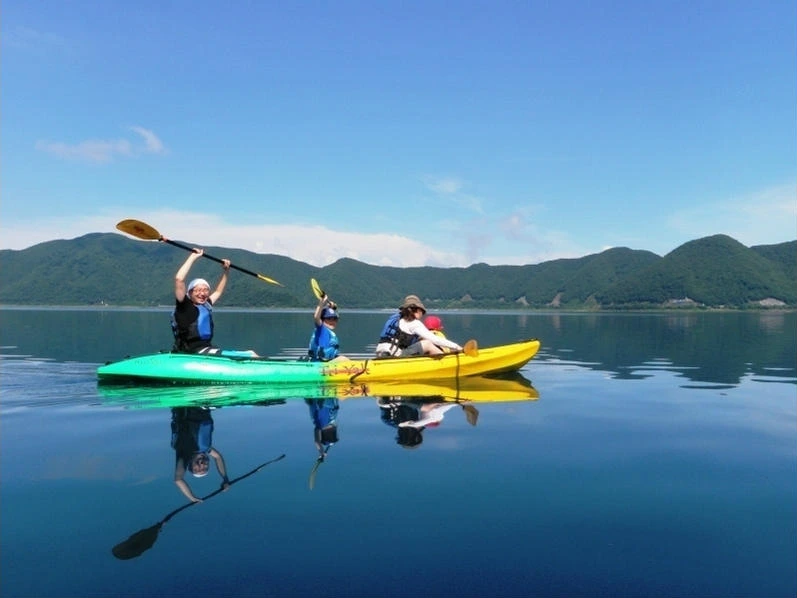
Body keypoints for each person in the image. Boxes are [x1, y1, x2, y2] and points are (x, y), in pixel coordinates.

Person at [170, 247, 256, 356]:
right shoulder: (184, 306)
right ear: (189, 293)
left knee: (248, 353)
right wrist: (193, 257)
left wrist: (226, 271)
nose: (202, 293)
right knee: (251, 354)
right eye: (198, 290)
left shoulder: (206, 304)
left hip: (205, 348)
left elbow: (218, 291)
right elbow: (179, 279)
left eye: (205, 290)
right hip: (191, 351)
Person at [170, 407, 230, 502]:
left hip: (187, 407)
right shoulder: (206, 449)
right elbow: (218, 457)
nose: (201, 465)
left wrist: (192, 498)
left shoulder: (184, 454)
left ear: (189, 465)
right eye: (205, 468)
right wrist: (225, 478)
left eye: (197, 469)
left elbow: (178, 480)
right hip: (204, 408)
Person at [375, 295, 463, 357]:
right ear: (417, 310)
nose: (422, 314)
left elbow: (404, 339)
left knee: (423, 341)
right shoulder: (414, 323)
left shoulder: (396, 319)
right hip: (394, 356)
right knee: (427, 344)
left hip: (381, 353)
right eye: (422, 311)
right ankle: (445, 364)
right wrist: (457, 347)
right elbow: (435, 339)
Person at [307, 294, 345, 361]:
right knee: (343, 359)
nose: (332, 321)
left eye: (334, 319)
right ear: (322, 320)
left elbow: (334, 314)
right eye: (329, 319)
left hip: (328, 363)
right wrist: (322, 302)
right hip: (318, 364)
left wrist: (333, 308)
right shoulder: (321, 330)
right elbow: (316, 317)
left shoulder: (330, 333)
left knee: (341, 358)